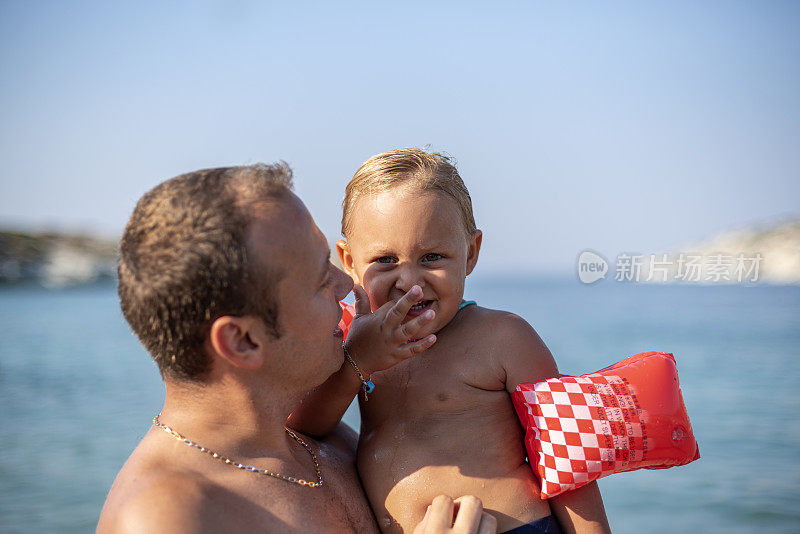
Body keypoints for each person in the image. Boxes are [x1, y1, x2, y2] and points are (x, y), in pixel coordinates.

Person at [97, 163, 497, 534]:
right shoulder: (170, 516)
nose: (349, 288)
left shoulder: (323, 441)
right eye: (321, 279)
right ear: (243, 341)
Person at [289, 149, 612, 533]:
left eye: (432, 257)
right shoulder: (354, 341)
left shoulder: (503, 338)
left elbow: (569, 461)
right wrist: (356, 362)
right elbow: (304, 424)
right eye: (385, 260)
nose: (409, 281)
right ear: (349, 260)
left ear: (470, 253)